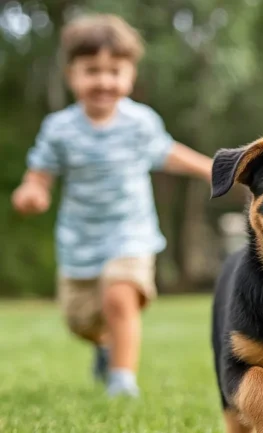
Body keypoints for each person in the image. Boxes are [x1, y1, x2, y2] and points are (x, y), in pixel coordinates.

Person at [11, 14, 214, 397]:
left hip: (130, 234)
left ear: (130, 75)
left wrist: (210, 169)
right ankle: (105, 346)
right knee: (79, 321)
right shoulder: (60, 129)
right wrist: (31, 192)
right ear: (72, 74)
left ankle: (122, 381)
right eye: (92, 71)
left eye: (114, 71)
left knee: (120, 298)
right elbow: (39, 173)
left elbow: (168, 153)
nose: (104, 81)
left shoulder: (140, 123)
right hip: (80, 240)